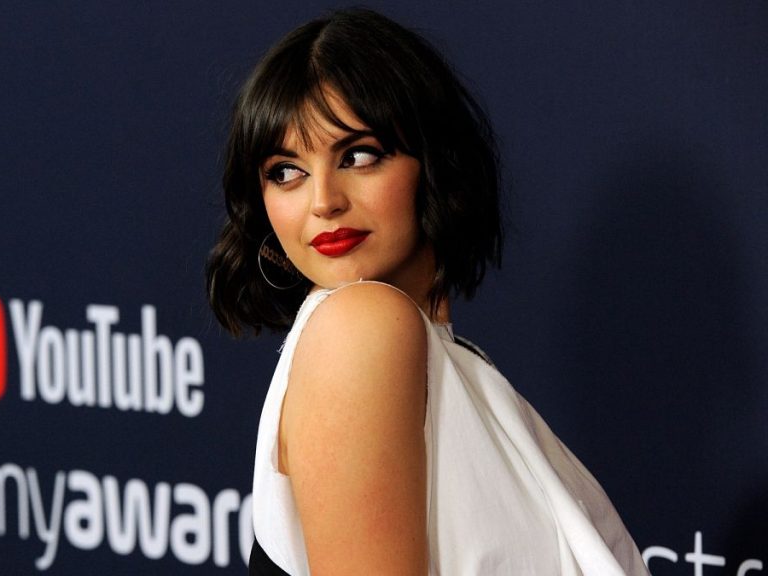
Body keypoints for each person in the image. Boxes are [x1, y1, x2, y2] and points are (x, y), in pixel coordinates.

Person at [206, 8, 648, 576]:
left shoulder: (445, 358)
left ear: (435, 162)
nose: (323, 201)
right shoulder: (360, 325)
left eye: (358, 155)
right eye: (286, 171)